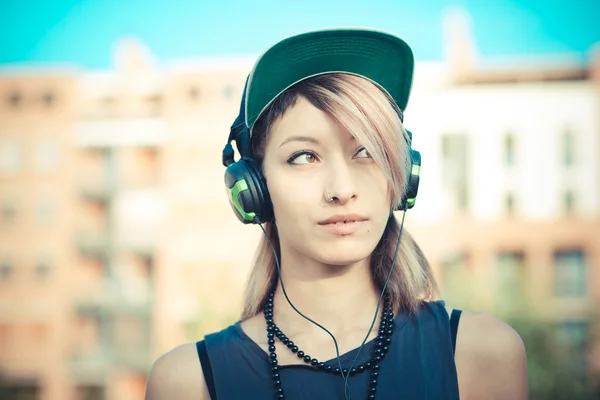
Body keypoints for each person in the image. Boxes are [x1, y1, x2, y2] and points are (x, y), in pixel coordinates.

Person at [145, 28, 528, 400]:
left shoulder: (482, 353)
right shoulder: (186, 382)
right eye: (304, 157)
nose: (342, 190)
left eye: (366, 151)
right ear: (253, 189)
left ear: (401, 176)